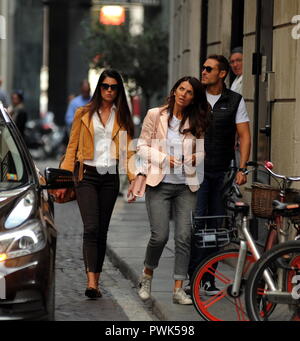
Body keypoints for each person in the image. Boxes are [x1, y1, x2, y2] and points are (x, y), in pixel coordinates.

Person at [56, 69, 136, 299]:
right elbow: (71, 149)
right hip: (86, 176)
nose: (109, 91)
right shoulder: (83, 113)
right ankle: (91, 283)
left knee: (101, 230)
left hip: (110, 178)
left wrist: (133, 180)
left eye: (114, 87)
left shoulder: (122, 117)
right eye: (105, 86)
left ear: (118, 91)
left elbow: (128, 152)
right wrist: (62, 180)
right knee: (91, 227)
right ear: (98, 87)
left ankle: (97, 280)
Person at [132, 76, 209, 305]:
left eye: (189, 92)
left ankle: (178, 289)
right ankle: (147, 275)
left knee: (184, 237)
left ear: (194, 98)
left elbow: (202, 150)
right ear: (174, 90)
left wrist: (197, 156)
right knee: (160, 236)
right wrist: (165, 158)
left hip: (187, 185)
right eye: (181, 89)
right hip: (160, 184)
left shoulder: (198, 119)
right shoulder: (156, 115)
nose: (184, 94)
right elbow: (141, 147)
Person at [187, 55, 251, 295]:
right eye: (202, 68)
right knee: (197, 224)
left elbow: (244, 135)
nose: (203, 72)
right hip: (197, 172)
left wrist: (242, 169)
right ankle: (192, 277)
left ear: (222, 73)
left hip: (222, 172)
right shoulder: (195, 96)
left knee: (214, 227)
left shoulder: (234, 100)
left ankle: (208, 280)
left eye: (208, 69)